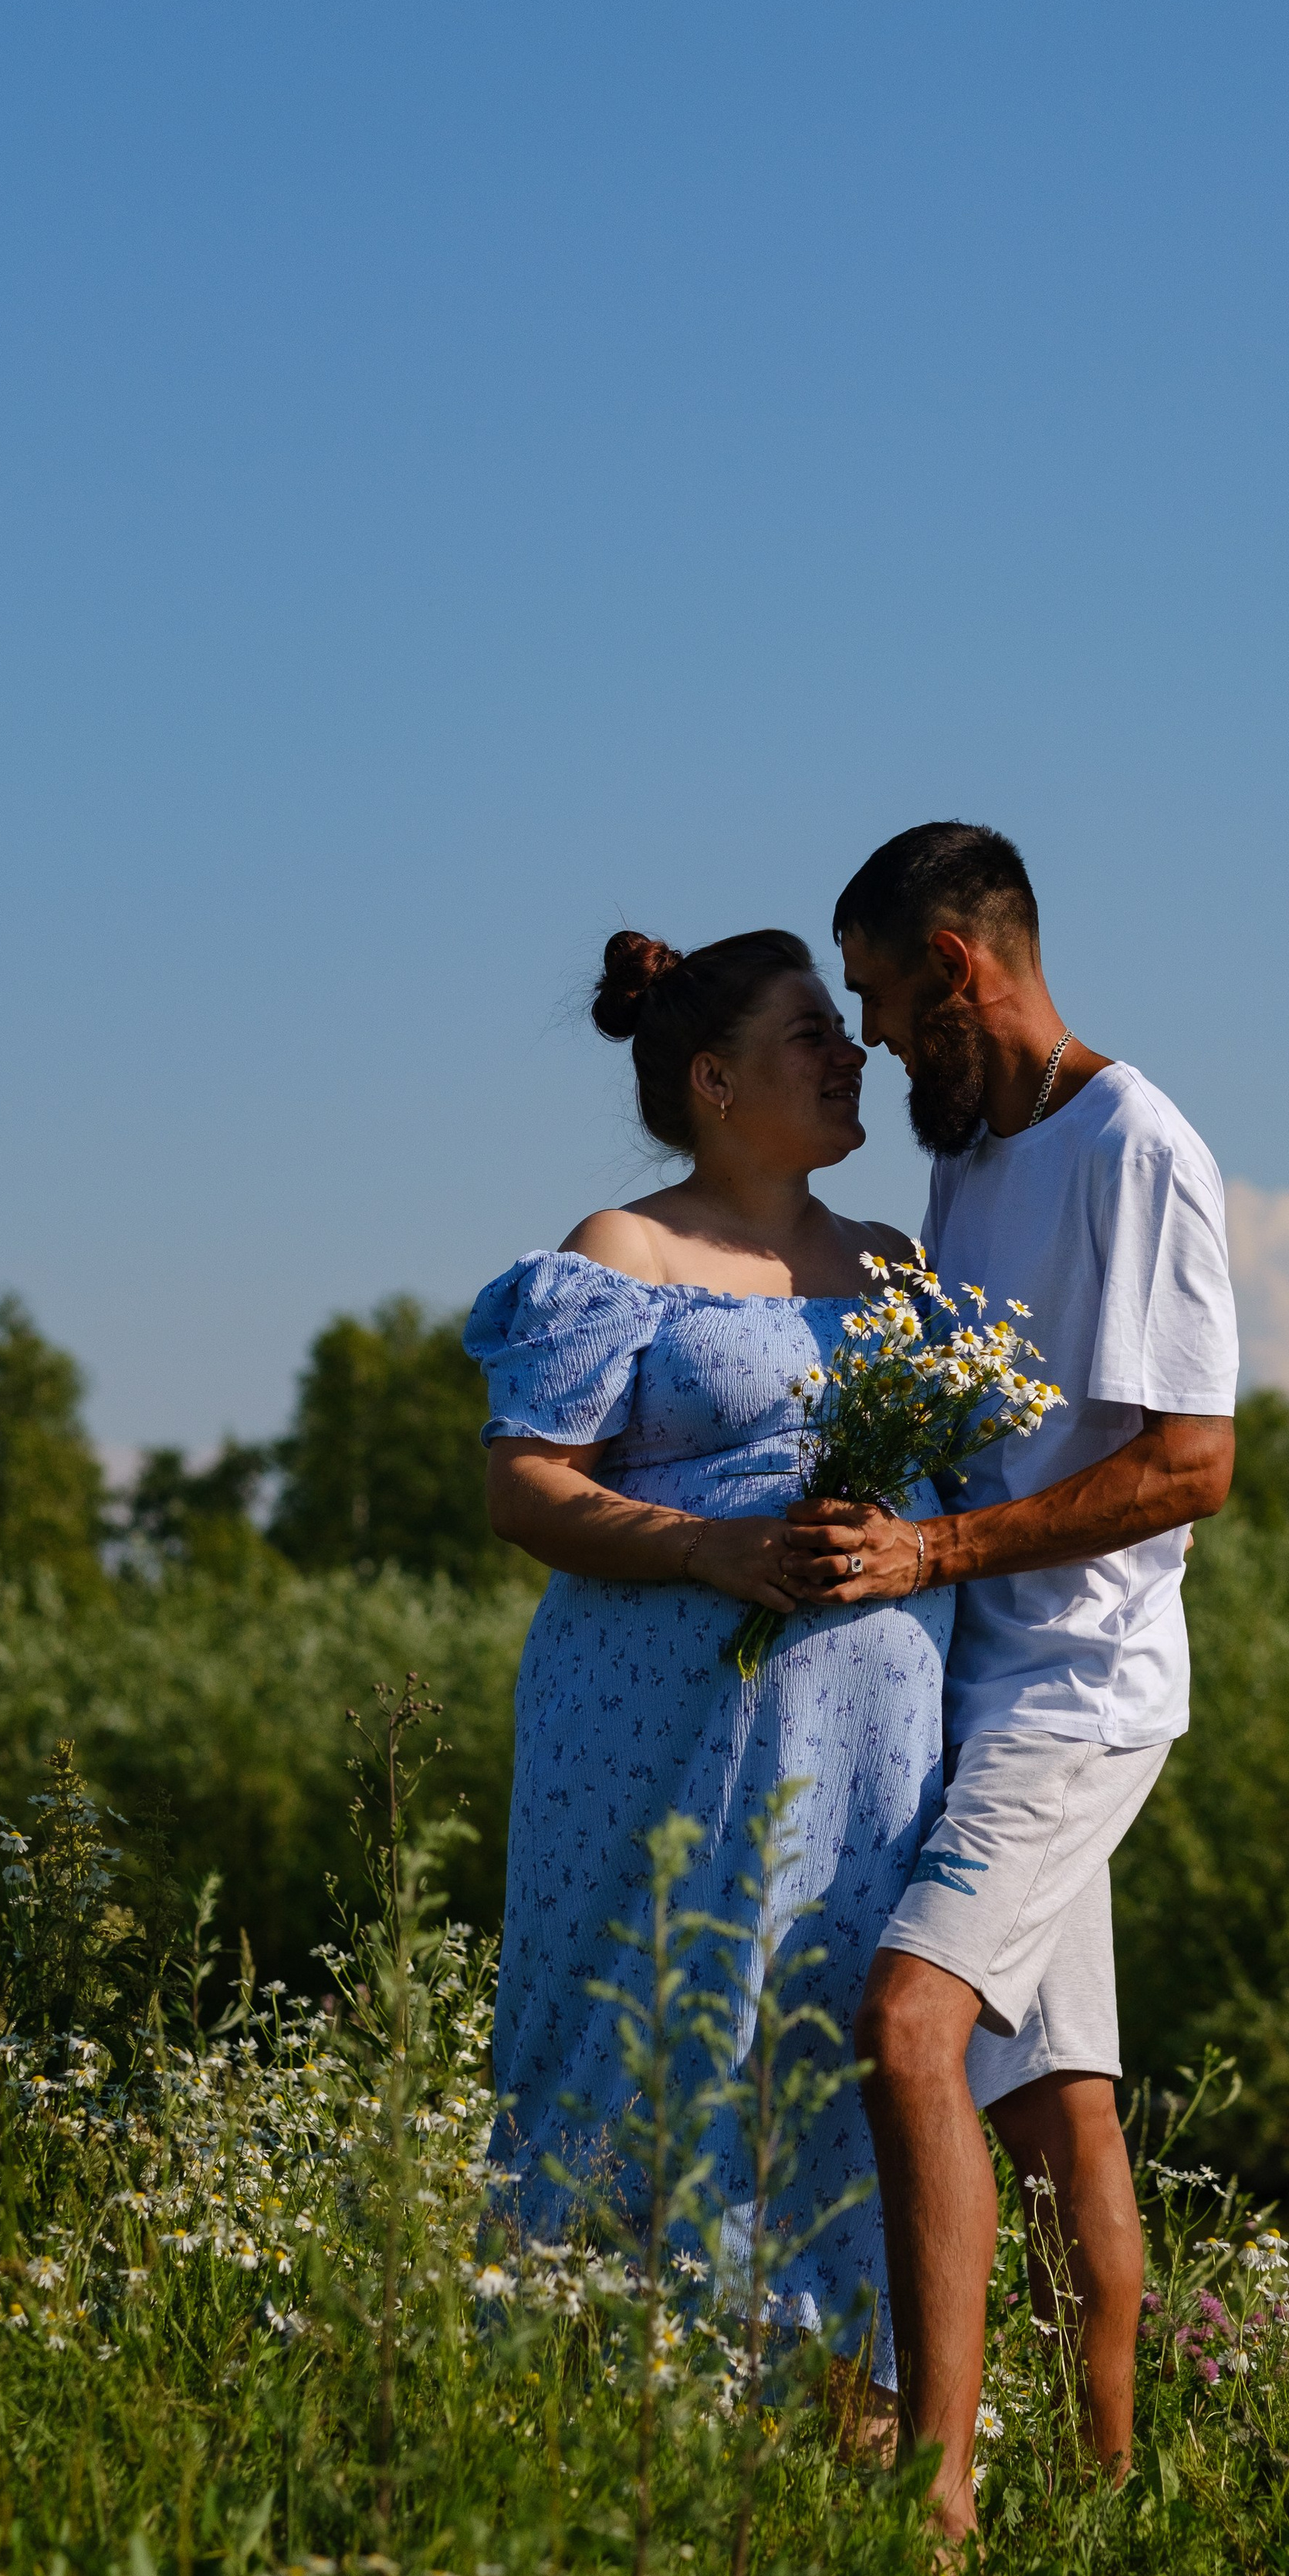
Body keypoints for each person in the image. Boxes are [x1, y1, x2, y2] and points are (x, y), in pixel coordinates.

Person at [780, 822, 1238, 2540]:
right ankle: (1120, 2518)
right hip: (971, 1692)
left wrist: (933, 1559)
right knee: (1056, 2111)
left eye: (889, 1002)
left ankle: (940, 2501)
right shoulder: (972, 1158)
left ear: (961, 972)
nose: (880, 1040)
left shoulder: (1137, 1148)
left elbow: (1189, 1465)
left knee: (906, 2030)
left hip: (1074, 1697)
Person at [465, 925, 952, 2406]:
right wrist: (706, 1550)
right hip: (657, 1727)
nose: (850, 1052)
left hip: (873, 1735)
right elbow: (524, 1485)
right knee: (649, 2024)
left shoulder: (894, 1264)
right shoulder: (628, 1250)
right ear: (716, 1080)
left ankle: (849, 2422)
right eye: (813, 1033)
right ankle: (598, 2400)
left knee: (834, 2036)